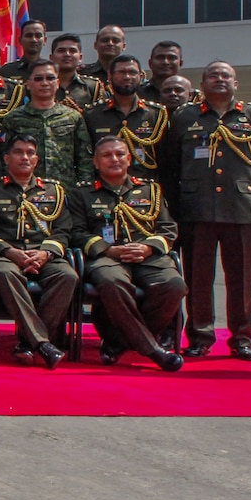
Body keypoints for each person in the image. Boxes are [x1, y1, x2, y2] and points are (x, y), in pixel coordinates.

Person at [165, 61, 251, 361]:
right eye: (213, 76)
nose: (220, 80)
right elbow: (173, 164)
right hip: (197, 208)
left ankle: (242, 339)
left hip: (240, 208)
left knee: (242, 279)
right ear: (202, 84)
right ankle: (200, 336)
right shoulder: (184, 117)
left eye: (226, 76)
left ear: (235, 83)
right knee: (198, 278)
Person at [75, 136, 186, 371]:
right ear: (95, 162)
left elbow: (168, 228)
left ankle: (117, 341)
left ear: (128, 158)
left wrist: (147, 248)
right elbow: (76, 232)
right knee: (111, 282)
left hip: (148, 256)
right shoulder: (82, 194)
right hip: (107, 257)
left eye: (119, 154)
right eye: (106, 155)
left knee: (174, 285)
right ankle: (153, 350)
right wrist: (109, 249)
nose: (114, 159)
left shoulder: (150, 190)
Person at [0, 134, 80, 369]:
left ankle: (28, 343)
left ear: (36, 159)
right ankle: (43, 343)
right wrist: (10, 252)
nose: (25, 157)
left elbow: (63, 231)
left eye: (30, 153)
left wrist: (45, 253)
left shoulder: (55, 191)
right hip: (5, 255)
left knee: (68, 276)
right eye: (18, 152)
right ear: (6, 158)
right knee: (6, 273)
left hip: (44, 254)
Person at [0, 58, 94, 192]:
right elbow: (4, 158)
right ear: (28, 84)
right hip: (25, 191)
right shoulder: (13, 118)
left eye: (50, 78)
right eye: (38, 79)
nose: (44, 83)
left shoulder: (73, 117)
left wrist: (84, 191)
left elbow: (85, 159)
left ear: (58, 83)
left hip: (65, 191)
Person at [83, 54, 169, 183]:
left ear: (141, 77)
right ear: (110, 77)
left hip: (145, 189)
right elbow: (86, 157)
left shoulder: (156, 114)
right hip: (105, 190)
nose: (127, 77)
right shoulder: (92, 114)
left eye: (132, 72)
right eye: (121, 72)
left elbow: (166, 158)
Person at [49, 33, 103, 110]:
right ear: (51, 57)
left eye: (72, 51)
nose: (67, 54)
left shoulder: (93, 86)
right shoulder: (42, 85)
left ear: (80, 57)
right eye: (61, 51)